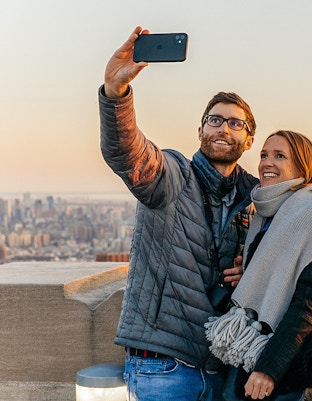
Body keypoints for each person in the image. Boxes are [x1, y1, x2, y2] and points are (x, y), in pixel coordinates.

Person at [99, 26, 255, 401]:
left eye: (236, 123)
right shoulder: (172, 175)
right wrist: (115, 92)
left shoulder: (255, 199)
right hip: (162, 367)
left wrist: (250, 267)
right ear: (200, 129)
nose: (224, 128)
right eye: (215, 120)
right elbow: (128, 153)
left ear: (249, 140)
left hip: (222, 369)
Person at [205, 131, 312, 401]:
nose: (266, 163)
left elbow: (309, 304)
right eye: (263, 155)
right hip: (253, 349)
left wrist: (268, 370)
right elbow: (277, 276)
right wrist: (249, 276)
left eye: (279, 156)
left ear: (303, 166)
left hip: (287, 360)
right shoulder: (268, 214)